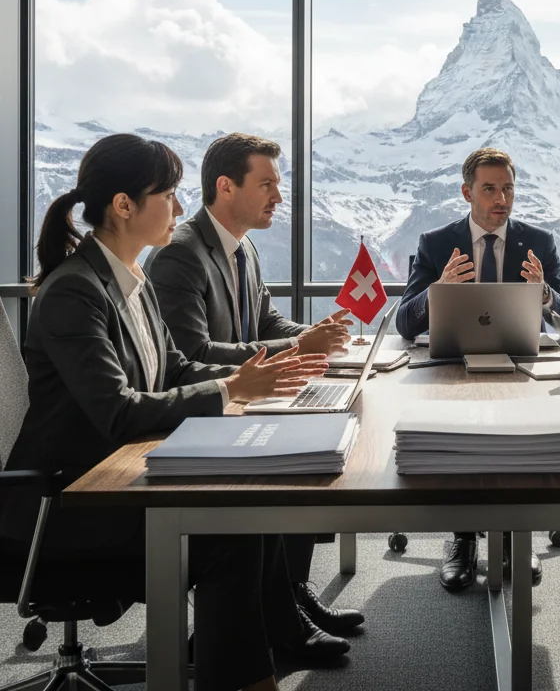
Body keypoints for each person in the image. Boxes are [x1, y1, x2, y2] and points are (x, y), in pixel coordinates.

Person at [0, 134, 351, 691]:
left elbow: (175, 368)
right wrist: (234, 388)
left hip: (115, 477)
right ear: (124, 205)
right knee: (230, 535)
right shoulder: (75, 292)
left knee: (246, 519)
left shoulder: (128, 282)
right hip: (64, 504)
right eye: (167, 193)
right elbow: (117, 412)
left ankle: (248, 664)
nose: (181, 207)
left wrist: (249, 382)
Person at [146, 133, 362, 632]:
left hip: (243, 403)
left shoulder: (242, 248)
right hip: (200, 417)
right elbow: (192, 355)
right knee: (299, 459)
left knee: (315, 436)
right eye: (267, 184)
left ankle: (286, 590)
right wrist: (297, 350)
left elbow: (266, 324)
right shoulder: (182, 254)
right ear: (225, 186)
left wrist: (311, 335)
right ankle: (278, 613)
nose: (278, 197)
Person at [397, 147, 560, 591]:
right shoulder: (437, 243)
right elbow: (405, 323)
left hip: (520, 365)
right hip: (455, 365)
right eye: (490, 189)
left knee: (522, 445)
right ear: (467, 192)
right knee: (464, 445)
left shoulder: (538, 242)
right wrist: (437, 291)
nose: (502, 199)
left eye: (509, 189)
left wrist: (545, 296)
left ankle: (518, 535)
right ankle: (463, 538)